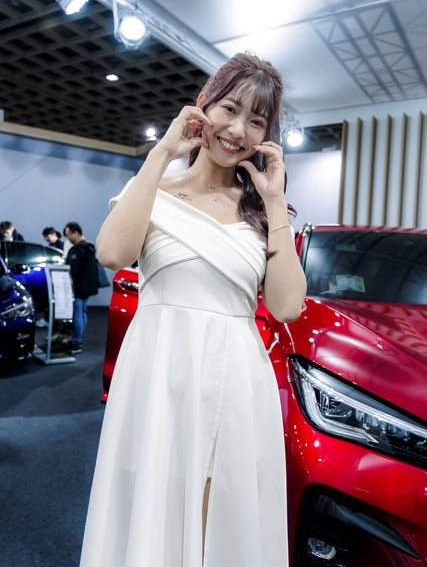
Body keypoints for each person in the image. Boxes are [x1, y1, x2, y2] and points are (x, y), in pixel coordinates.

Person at [80, 52, 307, 567]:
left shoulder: (261, 212)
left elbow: (286, 306)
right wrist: (162, 153)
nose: (238, 130)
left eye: (257, 121)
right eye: (230, 109)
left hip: (237, 382)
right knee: (153, 507)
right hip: (160, 374)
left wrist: (275, 202)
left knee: (223, 513)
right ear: (203, 104)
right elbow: (112, 254)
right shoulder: (154, 189)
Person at [63, 221, 98, 355]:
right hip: (87, 288)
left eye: (68, 235)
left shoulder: (77, 250)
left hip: (77, 288)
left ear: (76, 233)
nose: (68, 238)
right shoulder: (89, 248)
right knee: (83, 313)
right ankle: (80, 339)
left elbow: (72, 271)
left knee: (77, 314)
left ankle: (76, 343)